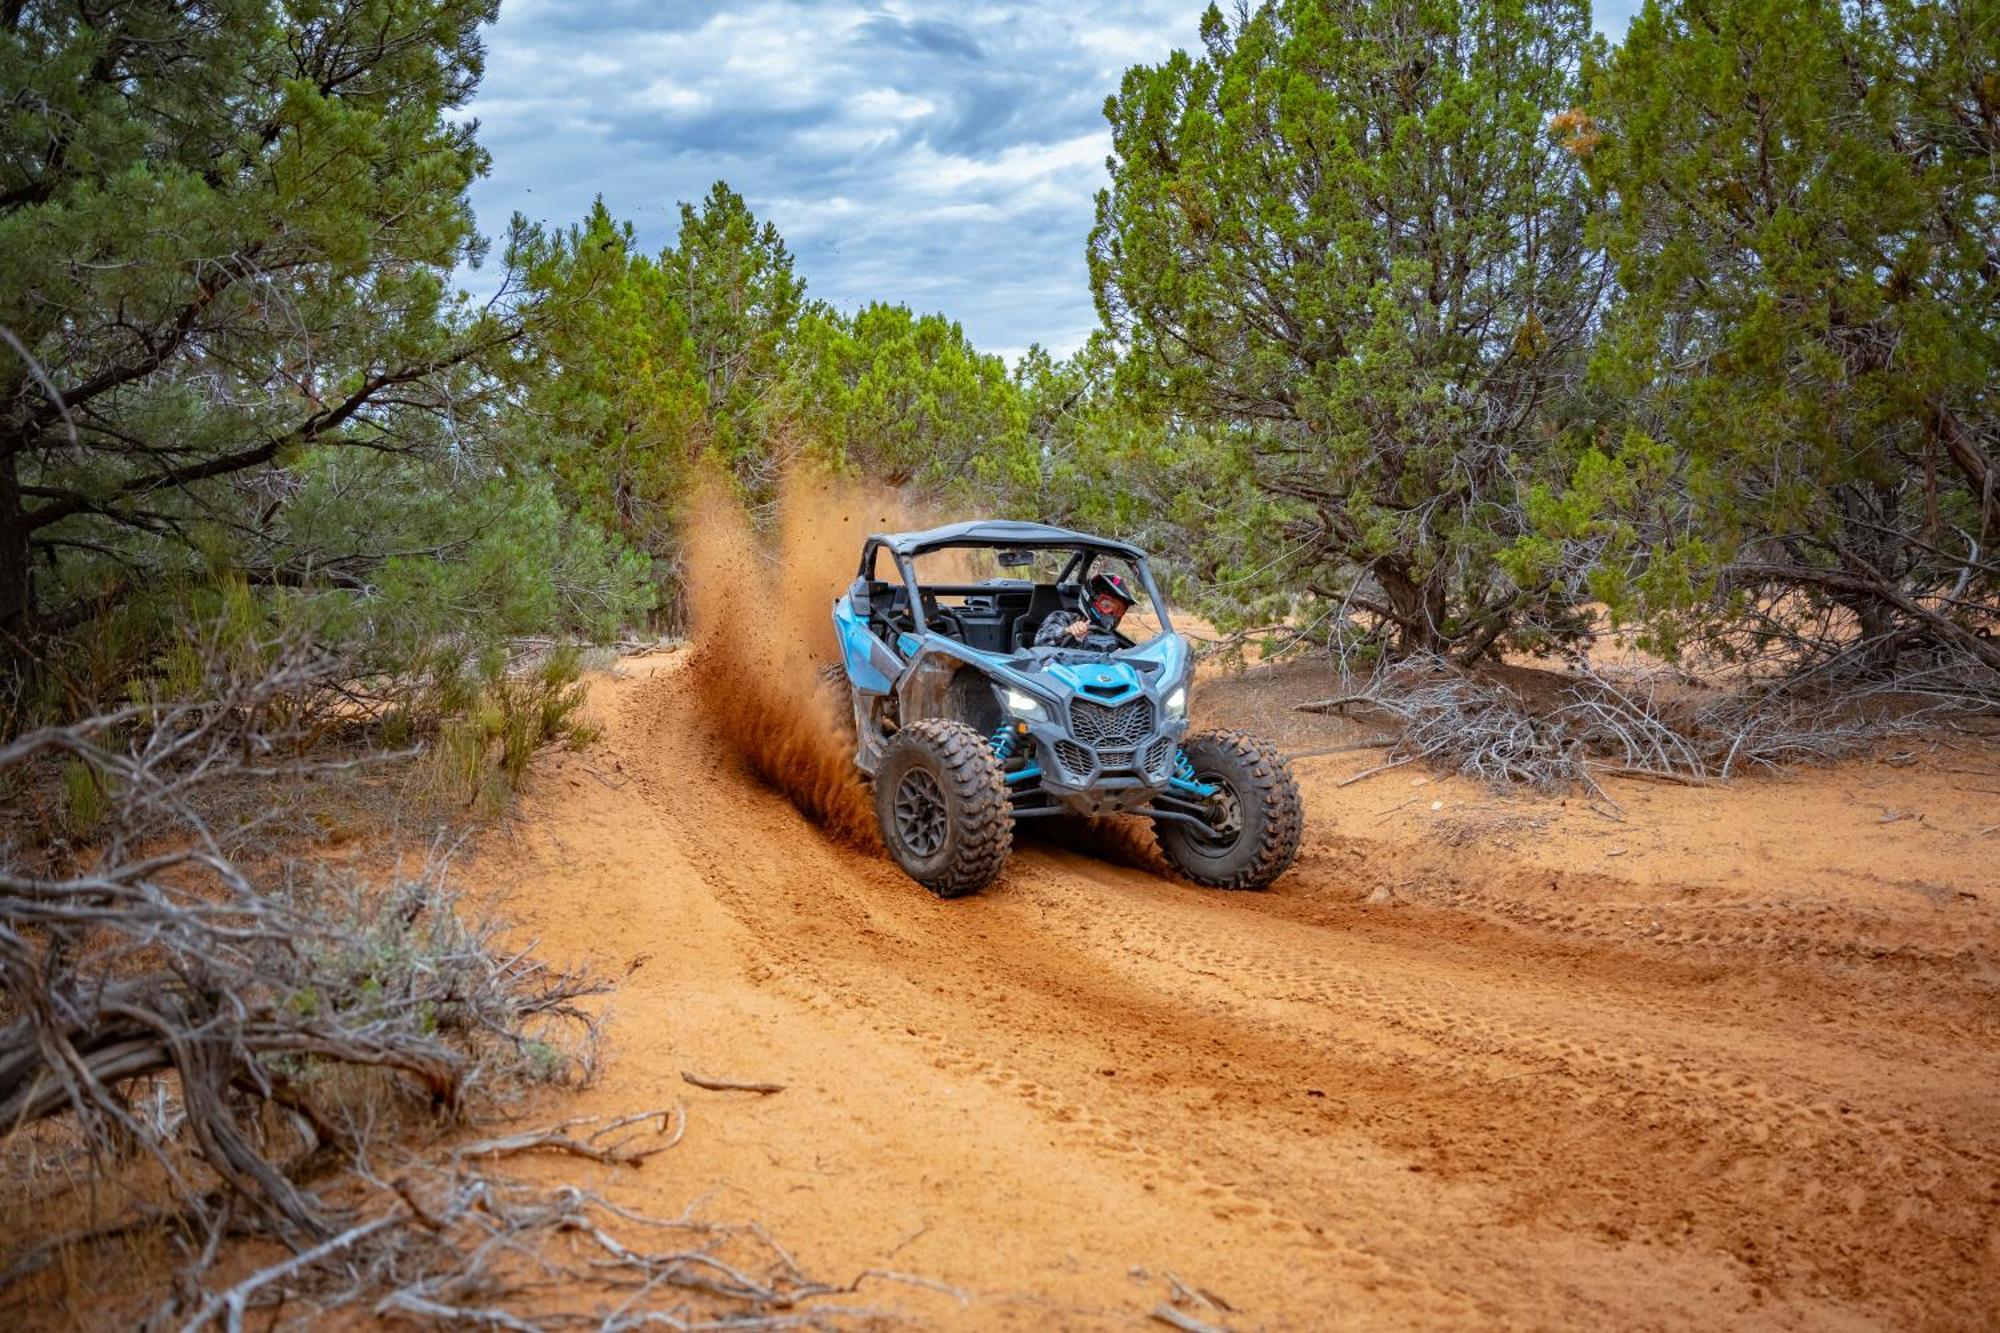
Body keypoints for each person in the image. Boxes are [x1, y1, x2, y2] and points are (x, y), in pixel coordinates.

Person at [1033, 572, 1135, 652]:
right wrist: (1067, 631)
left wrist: (1115, 656)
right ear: (1090, 597)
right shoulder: (1063, 617)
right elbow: (1040, 640)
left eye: (1118, 611)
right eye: (1106, 605)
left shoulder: (1107, 635)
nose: (1111, 614)